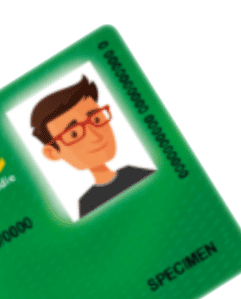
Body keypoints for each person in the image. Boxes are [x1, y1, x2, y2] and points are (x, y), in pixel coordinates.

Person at [31, 76, 154, 218]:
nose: (96, 136)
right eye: (73, 134)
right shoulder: (87, 203)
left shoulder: (139, 175)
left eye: (96, 119)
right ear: (52, 153)